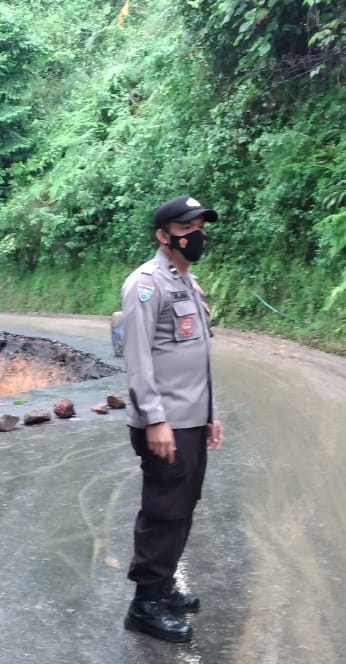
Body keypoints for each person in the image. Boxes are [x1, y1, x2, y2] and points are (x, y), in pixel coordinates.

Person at [119, 195, 224, 643]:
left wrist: (209, 415)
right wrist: (155, 420)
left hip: (191, 419)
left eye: (201, 226)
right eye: (189, 227)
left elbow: (198, 358)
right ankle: (144, 606)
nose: (198, 234)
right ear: (164, 236)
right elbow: (138, 357)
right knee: (163, 511)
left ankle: (163, 588)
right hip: (164, 423)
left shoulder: (189, 283)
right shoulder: (146, 285)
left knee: (184, 506)